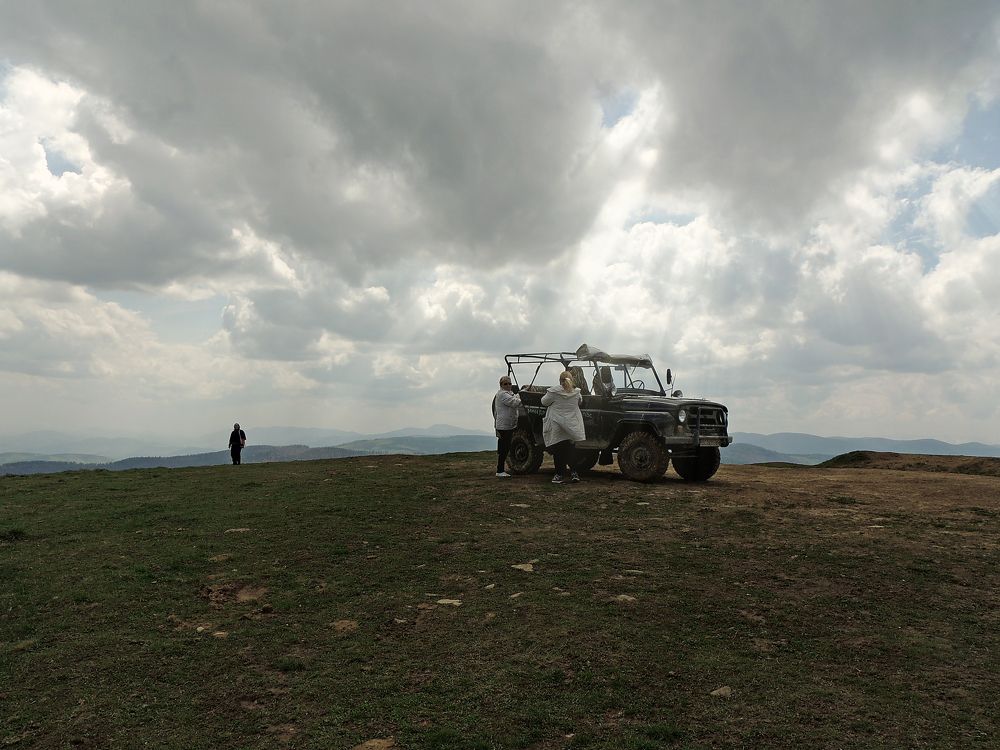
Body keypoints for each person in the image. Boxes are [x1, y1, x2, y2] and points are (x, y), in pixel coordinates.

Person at [540, 370, 585, 484]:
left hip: (558, 426)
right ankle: (574, 473)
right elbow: (580, 403)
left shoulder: (554, 392)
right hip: (571, 425)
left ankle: (559, 475)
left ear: (560, 380)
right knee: (570, 450)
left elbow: (544, 402)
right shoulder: (576, 393)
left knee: (559, 452)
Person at [493, 376, 522, 477]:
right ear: (501, 385)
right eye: (505, 384)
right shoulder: (502, 395)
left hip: (508, 425)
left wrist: (519, 394)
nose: (508, 385)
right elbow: (514, 402)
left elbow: (514, 398)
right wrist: (522, 395)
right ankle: (500, 470)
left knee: (505, 447)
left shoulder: (509, 394)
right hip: (503, 426)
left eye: (509, 383)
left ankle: (500, 469)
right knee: (504, 448)